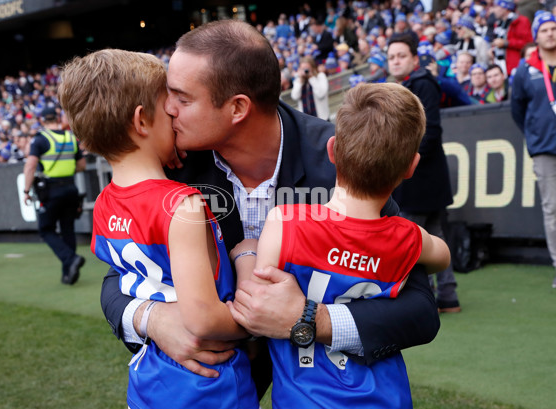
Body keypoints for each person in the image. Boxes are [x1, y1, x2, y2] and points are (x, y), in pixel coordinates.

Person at [100, 19, 440, 399]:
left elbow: (421, 309)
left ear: (237, 108)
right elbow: (116, 276)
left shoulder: (339, 159)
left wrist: (310, 320)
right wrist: (153, 319)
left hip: (319, 377)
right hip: (214, 377)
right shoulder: (171, 164)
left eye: (182, 97)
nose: (168, 108)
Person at [58, 48, 259, 409]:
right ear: (142, 121)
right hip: (208, 385)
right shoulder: (181, 204)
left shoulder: (104, 202)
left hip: (149, 378)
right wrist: (259, 320)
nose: (176, 118)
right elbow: (204, 321)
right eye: (169, 109)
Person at [231, 83, 451, 408]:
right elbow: (442, 257)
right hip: (384, 399)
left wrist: (244, 253)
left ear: (332, 150)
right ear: (410, 167)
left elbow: (259, 300)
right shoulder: (409, 238)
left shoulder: (284, 222)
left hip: (303, 399)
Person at [388, 33, 461, 313]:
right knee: (433, 236)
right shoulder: (409, 85)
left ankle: (425, 298)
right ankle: (447, 296)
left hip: (419, 181)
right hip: (424, 179)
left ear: (415, 59)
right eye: (392, 57)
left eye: (401, 56)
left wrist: (399, 163)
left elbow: (430, 133)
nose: (396, 61)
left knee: (413, 240)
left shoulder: (421, 84)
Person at [511, 11, 556, 288]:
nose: (551, 33)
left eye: (554, 28)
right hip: (544, 148)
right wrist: (535, 134)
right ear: (536, 36)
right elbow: (518, 110)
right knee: (553, 209)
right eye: (545, 30)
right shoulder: (525, 70)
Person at [23, 105, 86, 285]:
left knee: (46, 229)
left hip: (51, 190)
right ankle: (68, 274)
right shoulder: (70, 137)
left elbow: (30, 166)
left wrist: (26, 191)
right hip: (70, 188)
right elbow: (81, 165)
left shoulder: (40, 139)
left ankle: (70, 259)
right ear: (57, 118)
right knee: (68, 229)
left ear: (42, 120)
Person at [489, 0, 533, 76]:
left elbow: (528, 44)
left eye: (496, 7)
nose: (493, 10)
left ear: (505, 8)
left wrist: (506, 43)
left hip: (515, 67)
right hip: (500, 66)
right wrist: (493, 50)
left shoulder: (521, 21)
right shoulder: (498, 23)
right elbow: (498, 42)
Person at [290, 56, 330, 121]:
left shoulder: (320, 77)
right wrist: (300, 80)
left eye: (307, 68)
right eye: (303, 68)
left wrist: (311, 77)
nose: (305, 70)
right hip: (306, 121)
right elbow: (294, 97)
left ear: (312, 68)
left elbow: (321, 94)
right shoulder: (299, 81)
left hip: (322, 118)